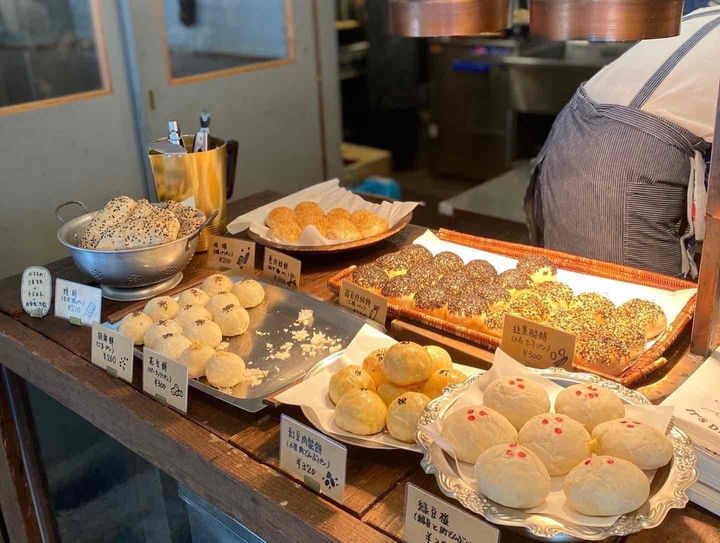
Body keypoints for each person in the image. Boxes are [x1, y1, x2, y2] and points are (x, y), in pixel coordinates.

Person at [525, 6, 720, 278]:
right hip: (618, 161)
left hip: (577, 126)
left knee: (575, 287)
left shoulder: (708, 15)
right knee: (626, 296)